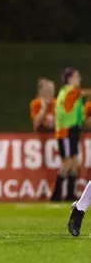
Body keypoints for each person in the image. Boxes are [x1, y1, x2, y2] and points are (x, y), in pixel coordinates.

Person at [51, 68, 91, 202]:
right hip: (66, 131)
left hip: (72, 130)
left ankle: (70, 194)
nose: (79, 79)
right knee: (67, 162)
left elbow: (80, 114)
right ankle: (56, 195)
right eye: (77, 76)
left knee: (74, 162)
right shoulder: (70, 91)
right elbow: (84, 93)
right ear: (70, 79)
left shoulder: (71, 94)